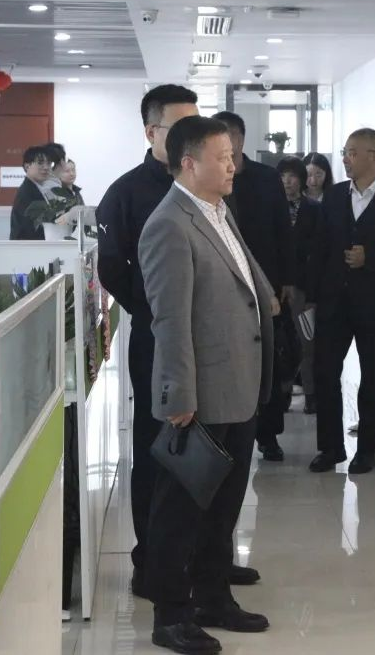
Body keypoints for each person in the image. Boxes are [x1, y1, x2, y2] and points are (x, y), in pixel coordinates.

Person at [97, 87, 257, 594]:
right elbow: (115, 270)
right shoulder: (131, 195)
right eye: (181, 126)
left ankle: (211, 561)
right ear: (154, 133)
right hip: (164, 342)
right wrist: (156, 313)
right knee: (169, 460)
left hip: (218, 352)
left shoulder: (215, 197)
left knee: (219, 465)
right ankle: (156, 566)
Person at [138, 115, 274, 654]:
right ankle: (171, 616)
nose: (233, 165)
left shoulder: (217, 210)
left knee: (223, 508)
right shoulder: (169, 225)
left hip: (239, 385)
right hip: (201, 395)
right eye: (223, 158)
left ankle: (214, 597)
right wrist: (179, 396)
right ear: (189, 163)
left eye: (233, 156)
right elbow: (169, 319)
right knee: (180, 513)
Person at [307, 128, 375, 475]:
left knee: (374, 378)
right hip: (334, 301)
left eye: (352, 152)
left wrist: (373, 258)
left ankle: (366, 449)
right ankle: (330, 448)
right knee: (325, 373)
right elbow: (320, 247)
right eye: (345, 152)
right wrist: (312, 296)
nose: (346, 159)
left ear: (373, 156)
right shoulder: (335, 196)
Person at [213, 111, 295, 461]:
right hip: (221, 286)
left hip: (265, 282)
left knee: (268, 360)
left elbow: (282, 229)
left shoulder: (265, 178)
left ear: (241, 139)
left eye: (228, 137)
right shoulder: (210, 176)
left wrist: (286, 278)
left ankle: (269, 434)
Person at [277, 157, 322, 416]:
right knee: (281, 342)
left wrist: (312, 290)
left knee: (307, 343)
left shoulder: (314, 209)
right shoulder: (272, 208)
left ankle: (311, 394)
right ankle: (282, 394)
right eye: (283, 176)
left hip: (304, 287)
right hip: (276, 286)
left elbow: (318, 253)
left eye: (292, 176)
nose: (287, 181)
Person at [9, 146, 52, 240]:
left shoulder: (38, 188)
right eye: (40, 163)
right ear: (27, 166)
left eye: (49, 163)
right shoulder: (27, 192)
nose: (46, 167)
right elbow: (31, 228)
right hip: (27, 246)